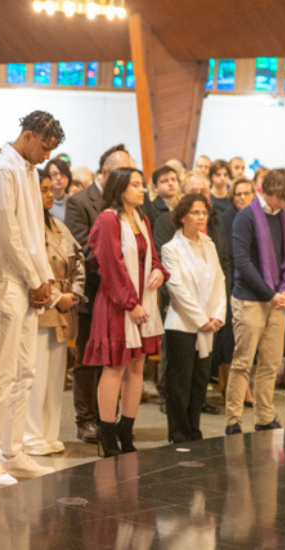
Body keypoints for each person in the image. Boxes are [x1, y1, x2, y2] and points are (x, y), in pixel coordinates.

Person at [0, 110, 64, 488]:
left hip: (27, 282)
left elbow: (33, 235)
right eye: (44, 146)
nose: (46, 156)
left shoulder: (29, 169)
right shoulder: (3, 169)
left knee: (25, 371)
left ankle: (13, 450)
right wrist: (32, 278)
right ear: (28, 135)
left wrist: (44, 282)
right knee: (1, 373)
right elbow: (7, 233)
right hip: (5, 281)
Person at [84, 167, 169, 457]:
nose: (142, 189)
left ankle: (126, 431)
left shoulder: (142, 219)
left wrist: (159, 272)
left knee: (137, 367)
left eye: (142, 184)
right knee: (115, 367)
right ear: (120, 188)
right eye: (135, 185)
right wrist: (130, 303)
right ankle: (107, 436)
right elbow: (110, 266)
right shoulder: (109, 219)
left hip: (142, 304)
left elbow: (153, 257)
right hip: (117, 305)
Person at [225, 168, 285, 435]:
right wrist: (270, 294)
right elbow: (242, 262)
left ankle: (264, 416)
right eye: (281, 198)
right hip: (250, 299)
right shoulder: (245, 217)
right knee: (243, 363)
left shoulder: (284, 218)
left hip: (277, 300)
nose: (284, 204)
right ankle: (233, 420)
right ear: (269, 191)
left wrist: (284, 290)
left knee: (271, 363)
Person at [65, 144, 133, 444]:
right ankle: (87, 420)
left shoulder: (128, 207)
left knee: (115, 358)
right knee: (87, 360)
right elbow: (81, 248)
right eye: (124, 171)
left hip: (120, 294)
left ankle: (108, 417)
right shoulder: (80, 201)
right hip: (94, 292)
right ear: (106, 172)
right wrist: (113, 271)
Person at [24, 172, 85, 456]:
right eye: (43, 190)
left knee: (55, 375)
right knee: (35, 374)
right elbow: (31, 268)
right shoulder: (25, 225)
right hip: (39, 306)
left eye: (51, 189)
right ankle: (31, 435)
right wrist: (57, 298)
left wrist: (73, 294)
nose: (50, 195)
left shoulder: (58, 225)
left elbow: (78, 259)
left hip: (63, 307)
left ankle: (50, 432)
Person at [162, 193, 226, 442]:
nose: (201, 217)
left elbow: (220, 280)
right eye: (195, 212)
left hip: (208, 323)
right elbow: (177, 287)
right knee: (180, 382)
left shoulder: (208, 244)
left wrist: (218, 315)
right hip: (183, 323)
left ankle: (194, 430)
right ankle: (179, 433)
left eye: (204, 212)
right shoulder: (171, 248)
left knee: (200, 380)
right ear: (182, 216)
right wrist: (201, 318)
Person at [46, 157, 71, 222]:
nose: (59, 178)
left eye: (62, 174)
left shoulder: (72, 201)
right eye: (54, 174)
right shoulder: (42, 201)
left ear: (68, 178)